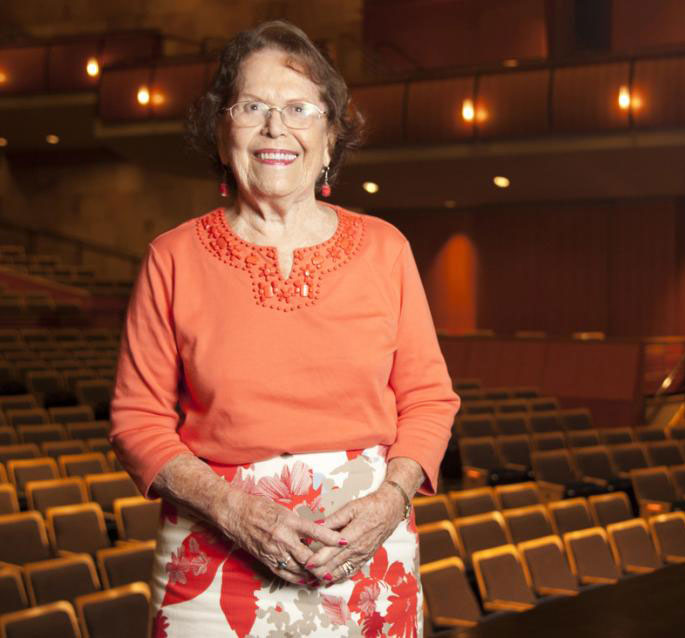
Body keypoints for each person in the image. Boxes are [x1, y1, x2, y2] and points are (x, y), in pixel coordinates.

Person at [109, 19, 459, 638]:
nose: (277, 127)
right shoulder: (171, 257)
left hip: (367, 553)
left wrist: (389, 501)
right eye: (252, 106)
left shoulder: (386, 249)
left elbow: (429, 399)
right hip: (216, 558)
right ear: (222, 131)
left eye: (300, 108)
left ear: (329, 139)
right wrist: (232, 509)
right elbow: (137, 423)